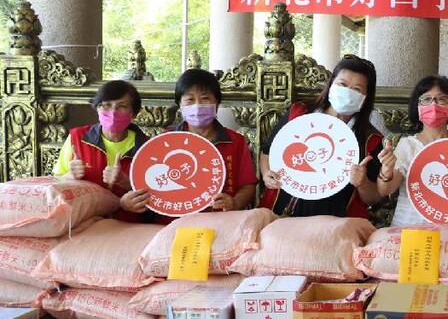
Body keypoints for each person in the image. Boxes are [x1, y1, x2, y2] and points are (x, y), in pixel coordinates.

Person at [260, 55, 384, 218]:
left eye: (357, 90)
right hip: (277, 212)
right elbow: (267, 151)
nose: (347, 93)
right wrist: (266, 174)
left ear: (366, 97)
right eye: (342, 85)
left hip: (330, 223)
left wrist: (362, 182)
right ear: (331, 84)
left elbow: (374, 197)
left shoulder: (371, 140)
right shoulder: (298, 113)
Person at [52, 80, 151, 219]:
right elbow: (54, 183)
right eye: (106, 105)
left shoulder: (148, 147)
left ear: (133, 113)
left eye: (122, 106)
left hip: (128, 224)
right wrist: (70, 176)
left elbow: (156, 196)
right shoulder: (77, 138)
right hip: (84, 222)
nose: (113, 112)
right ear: (97, 108)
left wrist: (126, 183)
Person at [377, 75, 448, 227]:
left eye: (441, 99)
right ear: (417, 107)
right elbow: (386, 190)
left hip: (446, 231)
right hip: (406, 229)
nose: (433, 104)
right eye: (426, 99)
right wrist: (386, 170)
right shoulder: (408, 145)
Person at [168, 69, 257, 214]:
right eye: (190, 100)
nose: (197, 106)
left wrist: (235, 203)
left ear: (217, 103)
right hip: (175, 219)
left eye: (205, 99)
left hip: (221, 219)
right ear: (180, 104)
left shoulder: (236, 141)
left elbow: (248, 185)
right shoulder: (165, 141)